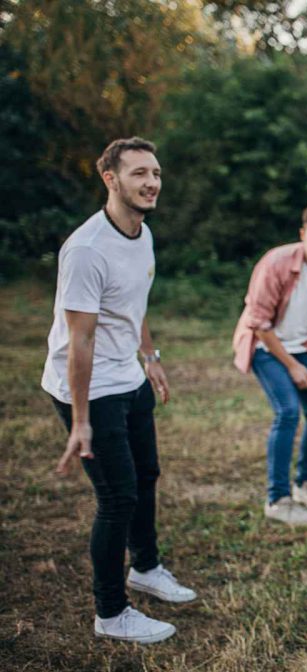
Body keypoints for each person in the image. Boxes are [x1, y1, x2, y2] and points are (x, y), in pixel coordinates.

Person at [44, 137, 196, 644]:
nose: (151, 182)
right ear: (110, 179)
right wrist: (81, 418)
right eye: (138, 174)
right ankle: (110, 613)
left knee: (146, 475)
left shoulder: (142, 233)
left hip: (129, 378)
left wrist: (149, 358)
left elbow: (134, 305)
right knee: (117, 498)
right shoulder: (86, 249)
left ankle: (146, 568)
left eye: (155, 172)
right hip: (90, 388)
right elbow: (78, 340)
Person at [233, 203, 307, 526]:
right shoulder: (276, 262)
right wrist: (291, 367)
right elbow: (258, 322)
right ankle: (278, 499)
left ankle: (305, 485)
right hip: (264, 344)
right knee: (287, 412)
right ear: (303, 234)